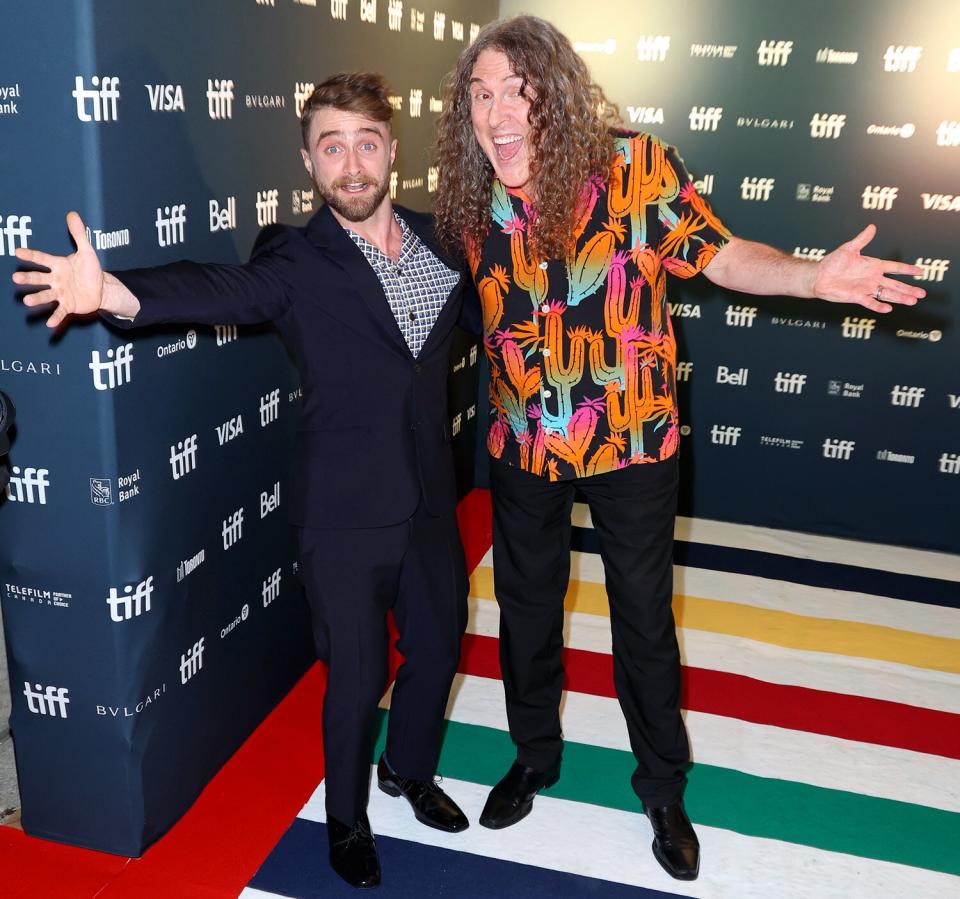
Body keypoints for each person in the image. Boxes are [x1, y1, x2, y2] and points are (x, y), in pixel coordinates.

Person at [433, 16, 925, 882]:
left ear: (556, 91)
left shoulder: (632, 167)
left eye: (517, 89)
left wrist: (811, 275)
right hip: (521, 441)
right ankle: (534, 755)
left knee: (643, 618)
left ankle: (662, 785)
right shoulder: (472, 194)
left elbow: (722, 256)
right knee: (528, 607)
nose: (497, 111)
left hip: (633, 440)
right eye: (480, 94)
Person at [14, 72, 473, 891]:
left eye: (366, 143)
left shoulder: (446, 243)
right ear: (308, 161)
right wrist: (115, 292)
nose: (353, 163)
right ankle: (347, 819)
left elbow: (505, 320)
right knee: (358, 677)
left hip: (433, 502)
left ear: (392, 151)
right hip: (342, 513)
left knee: (438, 653)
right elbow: (217, 285)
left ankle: (408, 769)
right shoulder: (295, 259)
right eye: (332, 147)